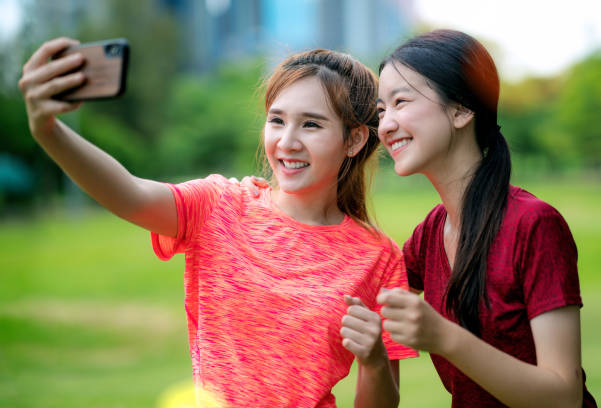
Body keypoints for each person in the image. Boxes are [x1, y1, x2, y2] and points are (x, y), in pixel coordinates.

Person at [18, 38, 418, 407]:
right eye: (277, 121)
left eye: (311, 124)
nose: (288, 141)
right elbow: (129, 195)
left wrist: (375, 361)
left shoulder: (378, 258)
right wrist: (49, 132)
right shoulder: (219, 204)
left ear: (354, 140)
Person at [374, 29, 597, 407]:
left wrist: (445, 337)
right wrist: (269, 202)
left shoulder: (533, 224)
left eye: (401, 102)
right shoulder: (430, 233)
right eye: (381, 110)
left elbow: (564, 396)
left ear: (461, 109)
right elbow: (364, 294)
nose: (385, 125)